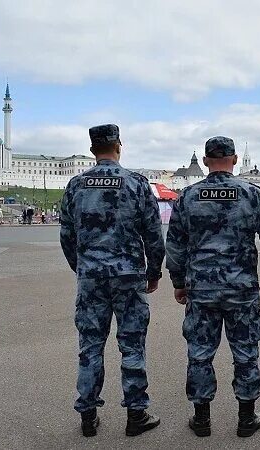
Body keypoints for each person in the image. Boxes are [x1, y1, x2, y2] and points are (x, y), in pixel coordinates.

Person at [165, 136, 260, 438]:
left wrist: (178, 282)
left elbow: (175, 245)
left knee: (200, 352)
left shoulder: (188, 196)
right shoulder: (252, 194)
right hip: (241, 289)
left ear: (205, 161)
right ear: (233, 160)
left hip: (201, 288)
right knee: (245, 351)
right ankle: (246, 417)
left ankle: (202, 418)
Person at [59, 124, 165, 438]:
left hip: (92, 277)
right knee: (132, 345)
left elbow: (66, 235)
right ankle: (136, 414)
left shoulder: (77, 185)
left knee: (90, 345)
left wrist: (83, 268)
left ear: (93, 150)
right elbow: (152, 235)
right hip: (128, 276)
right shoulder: (136, 183)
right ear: (119, 146)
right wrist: (154, 271)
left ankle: (88, 417)